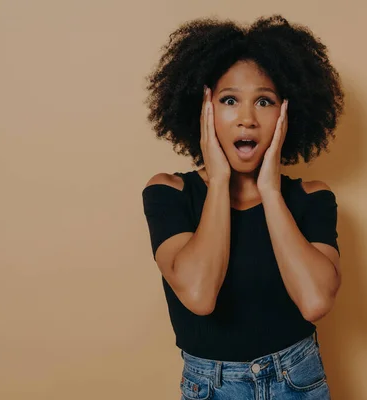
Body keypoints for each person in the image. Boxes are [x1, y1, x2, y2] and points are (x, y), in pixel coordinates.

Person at [142, 14, 344, 399]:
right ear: (204, 110)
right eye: (229, 100)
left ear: (287, 113)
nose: (247, 119)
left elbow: (316, 301)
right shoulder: (169, 192)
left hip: (299, 382)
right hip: (213, 388)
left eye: (264, 101)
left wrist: (270, 189)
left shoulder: (311, 197)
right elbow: (200, 296)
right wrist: (218, 181)